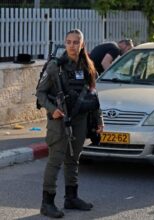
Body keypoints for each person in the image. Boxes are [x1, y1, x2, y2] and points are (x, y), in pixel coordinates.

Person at [36, 29, 104, 218]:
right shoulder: (55, 67)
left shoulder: (88, 66)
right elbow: (40, 93)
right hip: (59, 121)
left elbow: (93, 96)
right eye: (69, 42)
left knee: (73, 160)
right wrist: (52, 109)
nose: (72, 45)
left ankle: (71, 197)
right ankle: (47, 203)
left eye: (76, 42)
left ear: (82, 44)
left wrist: (99, 120)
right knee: (55, 162)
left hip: (80, 121)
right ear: (64, 44)